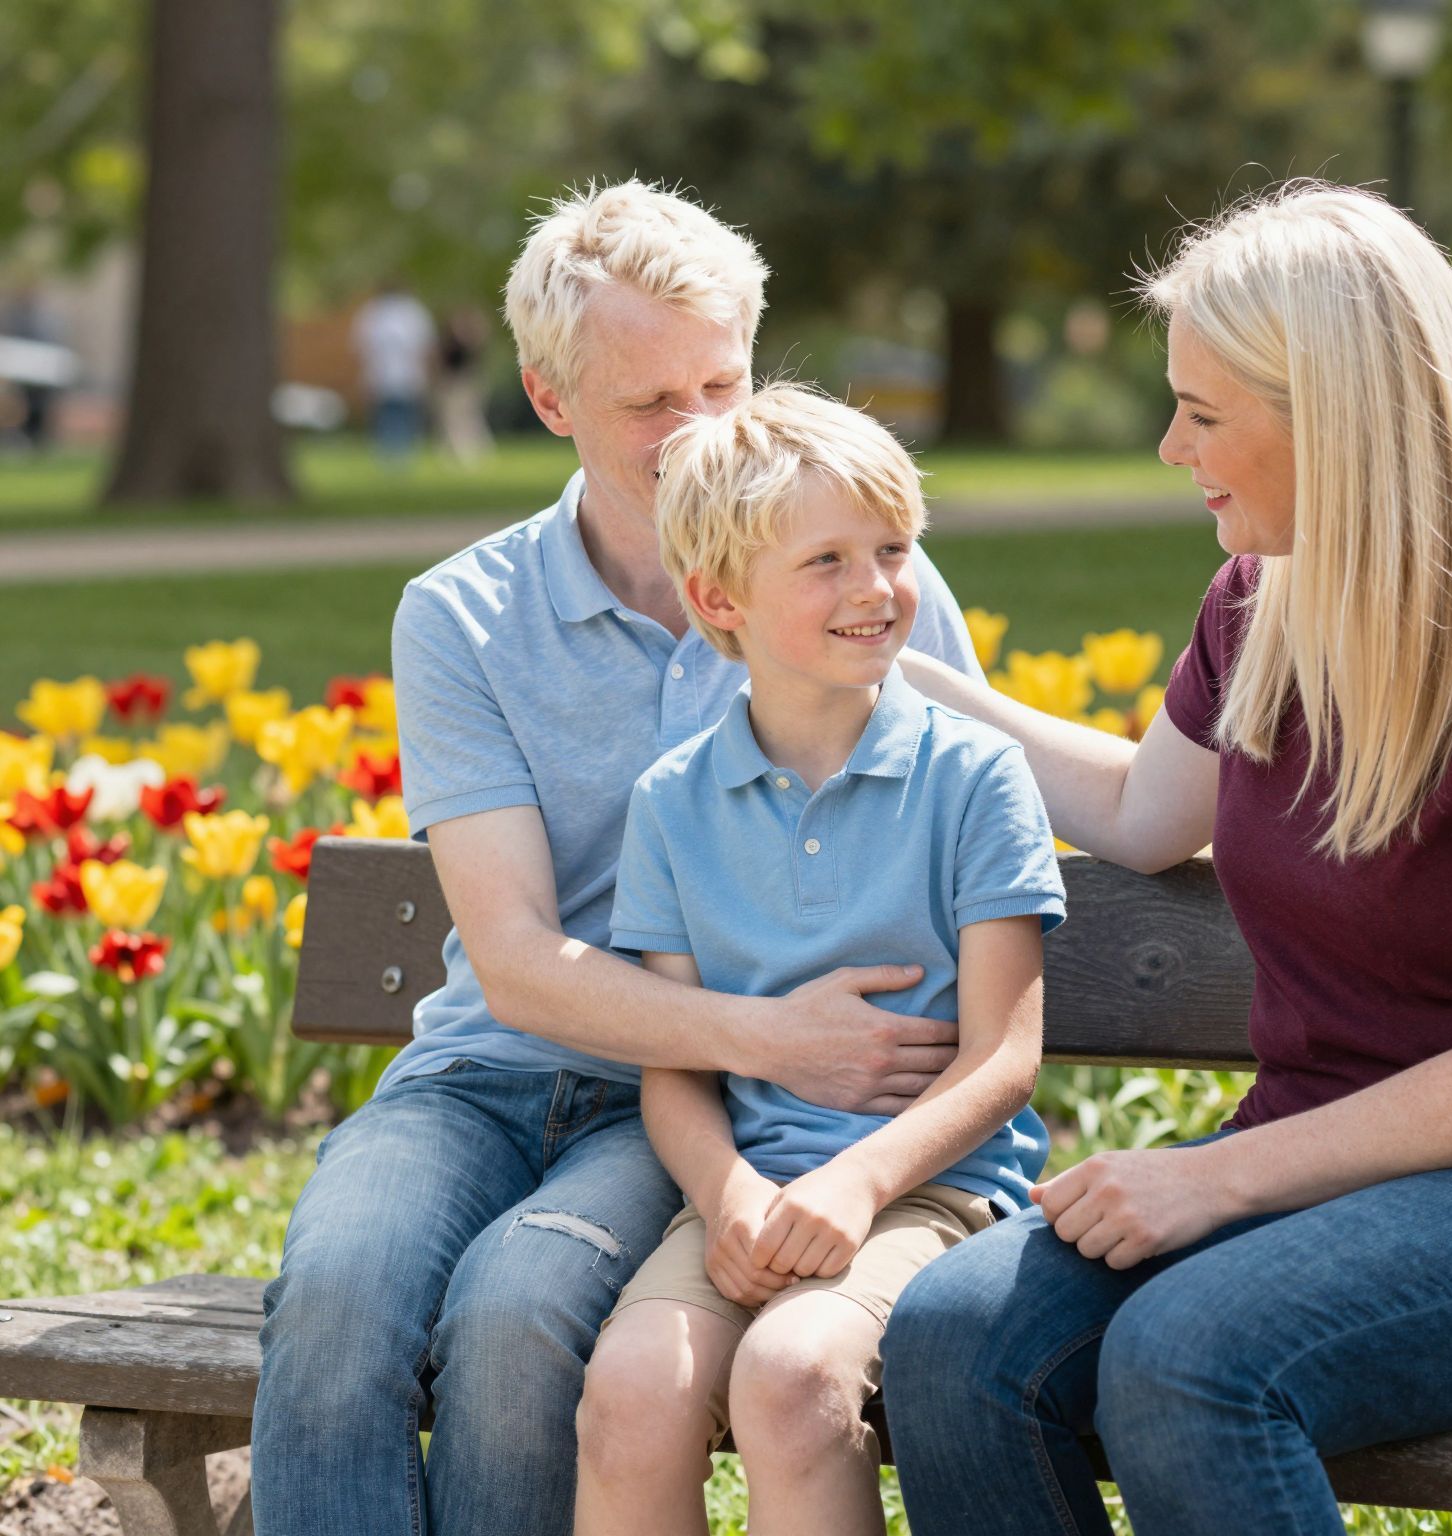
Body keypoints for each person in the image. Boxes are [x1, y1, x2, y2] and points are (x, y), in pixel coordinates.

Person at [881, 182, 1452, 1535]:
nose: (1171, 447)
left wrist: (1208, 1178)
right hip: (1325, 1177)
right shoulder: (1263, 605)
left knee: (1191, 1360)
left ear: (1337, 421)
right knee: (949, 1337)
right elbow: (1140, 812)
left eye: (1206, 413)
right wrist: (895, 677)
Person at [251, 182, 984, 1536]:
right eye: (651, 404)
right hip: (487, 1071)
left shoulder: (857, 578)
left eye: (724, 382)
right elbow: (518, 966)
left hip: (680, 1099)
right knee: (336, 1299)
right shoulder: (464, 616)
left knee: (517, 1317)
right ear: (547, 398)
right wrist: (775, 1033)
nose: (701, 430)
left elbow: (967, 816)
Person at [572, 384, 1063, 1536]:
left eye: (891, 550)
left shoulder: (975, 777)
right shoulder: (672, 804)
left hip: (933, 1193)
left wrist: (854, 1184)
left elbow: (1004, 1060)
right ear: (716, 599)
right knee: (631, 1391)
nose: (874, 588)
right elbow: (674, 1066)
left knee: (792, 1379)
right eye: (826, 560)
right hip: (742, 1198)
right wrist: (728, 1194)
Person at [352, 280, 436, 460]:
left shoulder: (373, 313)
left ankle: (391, 453)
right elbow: (425, 346)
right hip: (402, 375)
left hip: (385, 375)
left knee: (389, 415)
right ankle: (399, 453)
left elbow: (362, 347)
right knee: (400, 415)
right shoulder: (413, 312)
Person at [435, 305, 495, 462]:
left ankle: (469, 449)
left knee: (462, 418)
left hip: (461, 384)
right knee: (456, 418)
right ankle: (455, 449)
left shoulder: (465, 344)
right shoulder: (455, 342)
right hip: (455, 383)